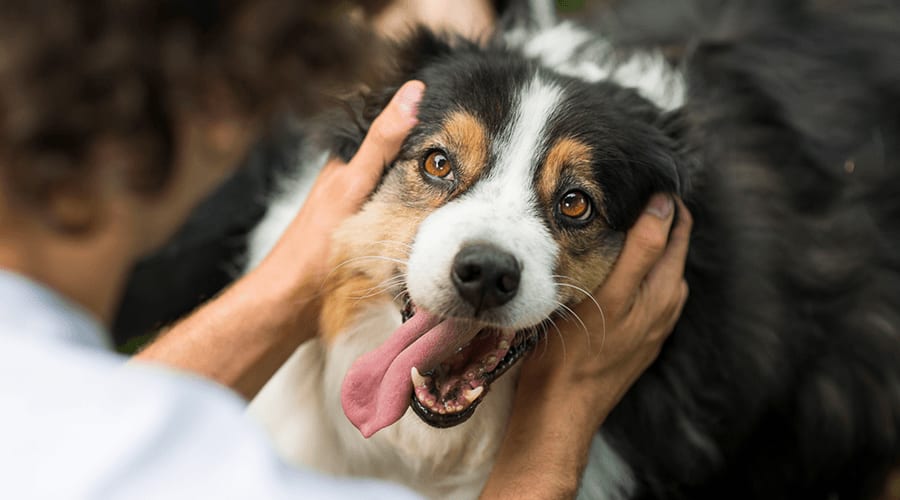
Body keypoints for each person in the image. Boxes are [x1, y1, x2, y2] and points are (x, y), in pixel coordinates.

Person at [0, 1, 691, 499]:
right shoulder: (219, 477)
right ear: (214, 108)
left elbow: (98, 437)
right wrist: (553, 439)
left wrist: (287, 290)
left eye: (573, 206)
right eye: (439, 166)